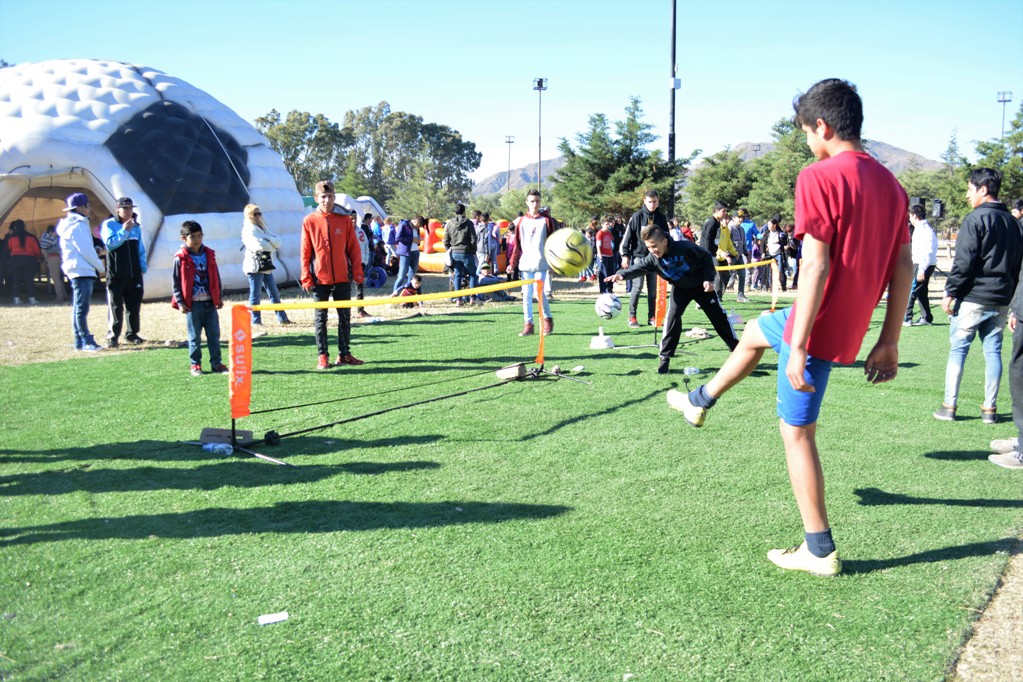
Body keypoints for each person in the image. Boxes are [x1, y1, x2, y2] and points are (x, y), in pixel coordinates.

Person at [667, 78, 912, 577]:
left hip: (816, 325)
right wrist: (888, 340)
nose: (806, 141)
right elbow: (903, 267)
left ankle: (819, 550)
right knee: (756, 331)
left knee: (797, 434)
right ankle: (699, 401)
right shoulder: (892, 184)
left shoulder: (818, 176)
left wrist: (798, 343)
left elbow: (816, 266)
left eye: (804, 131)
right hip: (847, 324)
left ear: (821, 126)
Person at [935, 168, 1023, 424]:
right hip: (1002, 298)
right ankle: (989, 410)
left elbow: (964, 262)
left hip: (974, 297)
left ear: (983, 190)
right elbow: (1019, 266)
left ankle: (949, 406)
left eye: (969, 189)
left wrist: (950, 291)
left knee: (958, 351)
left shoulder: (975, 219)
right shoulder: (1014, 223)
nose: (966, 195)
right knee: (993, 352)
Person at [606, 224, 738, 373]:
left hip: (701, 286)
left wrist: (708, 279)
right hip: (680, 289)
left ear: (665, 242)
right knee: (672, 318)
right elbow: (637, 268)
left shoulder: (685, 247)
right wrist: (621, 275)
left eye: (654, 246)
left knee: (718, 317)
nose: (652, 251)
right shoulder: (652, 259)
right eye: (648, 247)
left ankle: (737, 350)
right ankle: (665, 358)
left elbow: (706, 257)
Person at [301, 180, 366, 370]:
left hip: (342, 278)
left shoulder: (344, 220)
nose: (327, 200)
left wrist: (358, 273)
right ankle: (323, 355)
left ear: (334, 197)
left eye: (330, 196)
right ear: (316, 199)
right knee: (321, 318)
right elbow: (305, 251)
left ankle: (344, 354)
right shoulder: (309, 221)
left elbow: (354, 249)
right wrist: (306, 276)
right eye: (323, 197)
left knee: (345, 317)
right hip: (319, 279)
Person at [171, 221, 227, 376]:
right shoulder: (180, 258)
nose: (197, 240)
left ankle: (216, 363)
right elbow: (176, 282)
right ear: (184, 238)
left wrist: (219, 296)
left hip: (209, 302)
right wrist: (181, 302)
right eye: (193, 237)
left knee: (214, 335)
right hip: (193, 305)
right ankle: (195, 364)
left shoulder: (209, 254)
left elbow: (215, 276)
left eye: (199, 236)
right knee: (195, 336)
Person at [56, 193, 106, 351]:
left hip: (77, 268)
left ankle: (79, 341)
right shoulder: (78, 225)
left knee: (78, 307)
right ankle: (87, 341)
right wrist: (100, 267)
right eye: (87, 205)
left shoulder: (72, 224)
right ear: (79, 207)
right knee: (81, 308)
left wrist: (95, 250)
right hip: (81, 270)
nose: (90, 209)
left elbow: (83, 249)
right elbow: (85, 251)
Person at [507, 189, 556, 336]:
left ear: (540, 202)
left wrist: (553, 263)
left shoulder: (546, 221)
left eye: (537, 201)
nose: (535, 204)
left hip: (541, 263)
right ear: (527, 203)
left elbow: (552, 243)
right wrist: (512, 263)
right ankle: (529, 324)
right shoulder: (521, 222)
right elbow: (517, 244)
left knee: (539, 292)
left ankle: (547, 319)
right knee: (526, 294)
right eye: (532, 201)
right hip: (526, 264)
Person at [101, 197, 148, 346]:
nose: (128, 211)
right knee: (115, 306)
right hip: (116, 274)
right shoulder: (109, 224)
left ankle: (132, 334)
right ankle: (113, 336)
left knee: (133, 305)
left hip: (134, 274)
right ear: (117, 209)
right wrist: (124, 231)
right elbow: (110, 244)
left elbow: (140, 249)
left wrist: (142, 267)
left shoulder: (137, 227)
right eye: (125, 208)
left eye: (130, 208)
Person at [621, 190, 669, 327]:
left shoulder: (661, 217)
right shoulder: (637, 217)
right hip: (639, 257)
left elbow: (666, 237)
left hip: (655, 258)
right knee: (637, 287)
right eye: (649, 202)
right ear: (644, 201)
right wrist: (625, 255)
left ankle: (652, 317)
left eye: (654, 201)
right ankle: (632, 317)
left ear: (658, 201)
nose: (652, 204)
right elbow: (628, 237)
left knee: (653, 289)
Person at [241, 203, 291, 329]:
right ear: (249, 216)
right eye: (255, 214)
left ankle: (282, 318)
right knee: (255, 294)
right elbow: (259, 245)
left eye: (259, 213)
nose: (258, 216)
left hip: (266, 264)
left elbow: (278, 241)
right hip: (255, 266)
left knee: (274, 293)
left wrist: (269, 241)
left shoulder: (263, 227)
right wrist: (270, 242)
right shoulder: (248, 230)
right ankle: (255, 320)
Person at [903, 204, 938, 327]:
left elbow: (927, 252)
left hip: (923, 264)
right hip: (920, 263)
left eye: (910, 216)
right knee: (921, 291)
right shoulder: (919, 229)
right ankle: (926, 317)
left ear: (914, 215)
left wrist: (922, 269)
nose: (909, 219)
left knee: (911, 290)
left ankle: (907, 318)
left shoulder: (925, 230)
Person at [443, 203, 479, 306]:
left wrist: (448, 249)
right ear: (464, 212)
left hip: (455, 252)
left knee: (457, 275)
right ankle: (472, 298)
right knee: (472, 275)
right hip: (467, 252)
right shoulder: (468, 223)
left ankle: (458, 299)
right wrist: (473, 250)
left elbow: (446, 239)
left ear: (454, 212)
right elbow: (473, 239)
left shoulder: (449, 224)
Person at [6, 219, 42, 305]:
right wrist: (37, 257)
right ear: (24, 226)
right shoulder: (31, 237)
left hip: (15, 260)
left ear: (15, 227)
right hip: (29, 260)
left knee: (16, 280)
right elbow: (37, 250)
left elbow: (9, 249)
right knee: (30, 280)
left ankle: (16, 299)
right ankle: (32, 299)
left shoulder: (11, 238)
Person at [353, 212, 375, 317]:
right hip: (347, 264)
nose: (353, 220)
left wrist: (365, 260)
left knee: (360, 287)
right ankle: (345, 311)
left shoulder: (360, 232)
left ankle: (360, 310)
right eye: (350, 218)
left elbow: (366, 246)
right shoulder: (343, 231)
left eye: (354, 218)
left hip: (359, 263)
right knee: (345, 289)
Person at [391, 217, 421, 295]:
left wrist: (418, 240)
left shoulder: (417, 228)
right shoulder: (403, 225)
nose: (418, 227)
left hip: (415, 252)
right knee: (401, 276)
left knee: (412, 277)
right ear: (415, 220)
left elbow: (416, 240)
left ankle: (408, 294)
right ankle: (395, 295)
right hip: (405, 253)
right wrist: (412, 239)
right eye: (418, 225)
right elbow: (398, 238)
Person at [39, 224, 66, 303]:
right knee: (58, 278)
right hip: (58, 257)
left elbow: (43, 250)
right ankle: (63, 295)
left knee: (55, 278)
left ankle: (60, 297)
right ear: (51, 232)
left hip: (52, 258)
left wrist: (46, 259)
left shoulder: (45, 239)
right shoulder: (57, 239)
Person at [763, 215, 788, 291]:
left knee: (780, 270)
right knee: (769, 271)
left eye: (770, 225)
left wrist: (783, 238)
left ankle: (783, 285)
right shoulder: (766, 233)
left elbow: (785, 242)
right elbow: (762, 243)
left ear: (775, 225)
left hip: (778, 254)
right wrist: (763, 252)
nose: (769, 226)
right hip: (769, 254)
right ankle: (768, 286)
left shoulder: (780, 233)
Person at [730, 211, 750, 303]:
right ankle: (718, 295)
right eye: (739, 217)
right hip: (730, 256)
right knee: (726, 277)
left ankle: (740, 295)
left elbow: (743, 243)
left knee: (742, 275)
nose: (741, 219)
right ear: (733, 218)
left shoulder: (741, 229)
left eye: (742, 217)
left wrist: (746, 253)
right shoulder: (729, 228)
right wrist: (728, 255)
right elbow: (726, 243)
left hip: (740, 256)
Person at [596, 217, 617, 294]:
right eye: (606, 224)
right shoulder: (600, 233)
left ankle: (610, 289)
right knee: (603, 274)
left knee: (611, 273)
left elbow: (611, 243)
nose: (608, 226)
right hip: (603, 256)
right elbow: (598, 245)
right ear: (602, 225)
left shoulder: (609, 233)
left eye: (609, 224)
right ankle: (603, 290)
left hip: (610, 255)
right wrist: (600, 256)